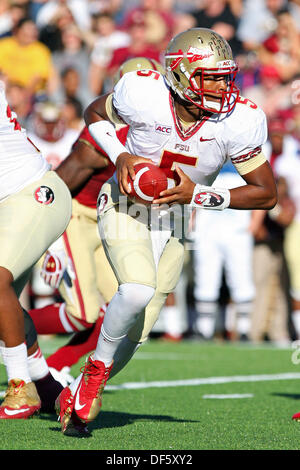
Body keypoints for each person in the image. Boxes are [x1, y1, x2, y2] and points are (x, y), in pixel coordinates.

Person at [54, 27, 277, 436]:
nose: (223, 86)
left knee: (139, 332)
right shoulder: (144, 91)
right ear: (179, 73)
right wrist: (120, 155)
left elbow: (266, 193)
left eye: (226, 77)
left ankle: (81, 388)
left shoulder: (240, 118)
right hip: (125, 203)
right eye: (211, 77)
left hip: (174, 218)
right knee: (136, 289)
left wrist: (199, 193)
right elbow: (94, 112)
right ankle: (92, 375)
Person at [28, 58, 165, 385]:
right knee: (83, 313)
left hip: (111, 216)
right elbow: (58, 186)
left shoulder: (160, 127)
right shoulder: (102, 134)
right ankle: (10, 327)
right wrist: (49, 239)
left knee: (125, 311)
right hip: (74, 216)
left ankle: (57, 365)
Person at [0, 79, 72, 419]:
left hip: (32, 193)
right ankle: (49, 390)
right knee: (3, 307)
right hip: (12, 202)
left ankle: (20, 388)